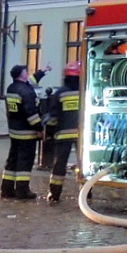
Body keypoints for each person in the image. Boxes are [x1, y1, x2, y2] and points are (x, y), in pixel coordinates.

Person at [2, 63, 50, 199]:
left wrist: (43, 71)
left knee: (12, 160)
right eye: (25, 71)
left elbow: (32, 80)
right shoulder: (26, 92)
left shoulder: (12, 87)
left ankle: (7, 189)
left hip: (14, 131)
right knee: (25, 162)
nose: (27, 73)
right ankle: (22, 191)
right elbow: (31, 114)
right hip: (27, 133)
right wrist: (40, 128)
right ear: (22, 74)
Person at [45, 61, 81, 202]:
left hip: (63, 135)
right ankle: (86, 191)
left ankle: (55, 193)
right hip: (82, 135)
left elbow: (53, 117)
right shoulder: (85, 91)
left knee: (59, 165)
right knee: (83, 164)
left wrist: (50, 133)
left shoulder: (60, 93)